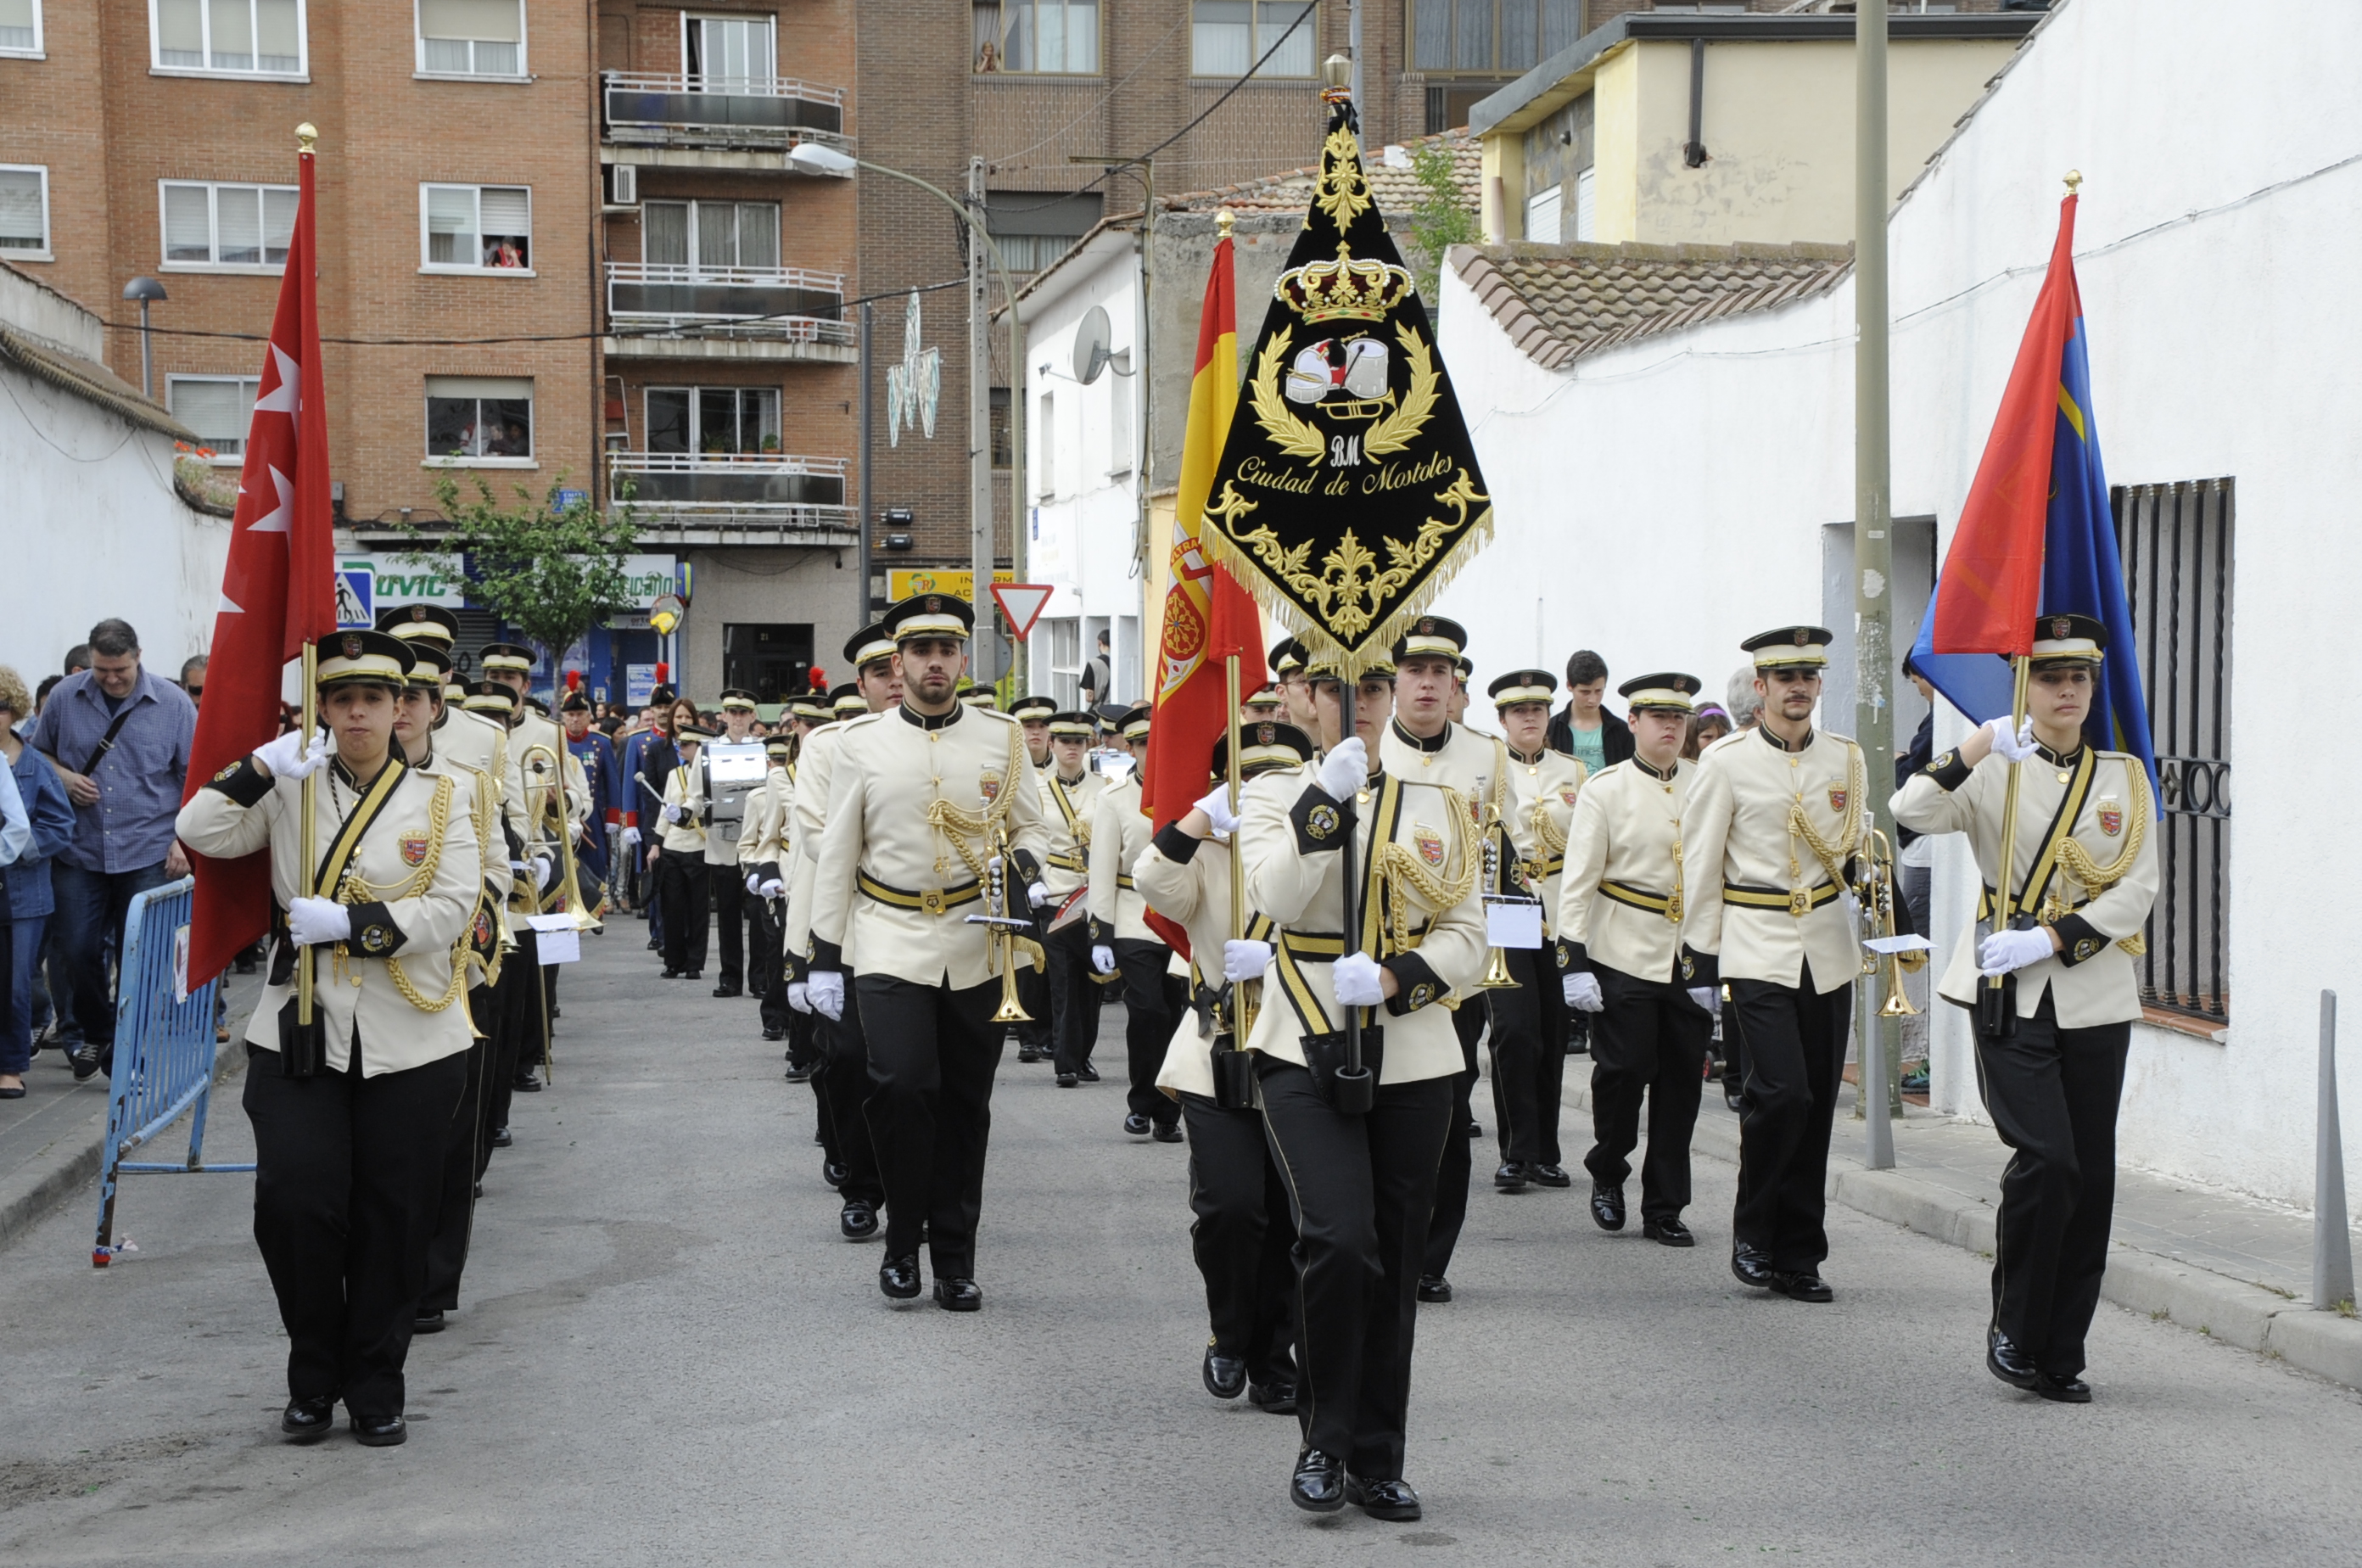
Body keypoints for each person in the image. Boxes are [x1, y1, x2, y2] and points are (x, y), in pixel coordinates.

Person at [175, 629, 480, 1447]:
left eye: (374, 700)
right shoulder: (289, 789)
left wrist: (354, 922)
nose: (357, 715)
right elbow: (202, 830)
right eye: (340, 700)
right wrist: (264, 767)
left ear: (401, 709)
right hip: (299, 1026)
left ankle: (376, 1382)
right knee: (295, 1204)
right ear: (322, 711)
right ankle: (312, 1371)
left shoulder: (444, 798)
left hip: (410, 1032)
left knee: (394, 1213)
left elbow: (454, 906)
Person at [1240, 658, 1485, 1521]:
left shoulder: (1437, 803)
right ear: (1304, 700)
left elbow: (1466, 930)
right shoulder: (1274, 795)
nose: (1361, 706)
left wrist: (1398, 978)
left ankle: (1379, 1456)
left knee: (1396, 1253)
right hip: (1300, 1033)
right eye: (1341, 691)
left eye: (1374, 691)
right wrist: (1322, 807)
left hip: (1410, 1045)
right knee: (1339, 1239)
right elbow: (1268, 896)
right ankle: (1323, 1438)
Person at [1893, 614, 2157, 1403]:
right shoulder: (1992, 770)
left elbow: (2138, 888)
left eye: (2078, 677)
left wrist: (2056, 937)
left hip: (2092, 994)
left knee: (2093, 1178)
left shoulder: (2125, 778)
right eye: (2049, 677)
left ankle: (2060, 1350)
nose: (2067, 690)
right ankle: (2013, 1325)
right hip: (2010, 996)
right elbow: (1908, 808)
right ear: (2023, 687)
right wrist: (1976, 745)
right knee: (2049, 1160)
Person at [805, 594, 1050, 1308]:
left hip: (977, 938)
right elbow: (838, 855)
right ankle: (901, 1240)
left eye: (947, 650)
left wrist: (1028, 872)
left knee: (965, 1105)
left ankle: (954, 1259)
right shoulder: (859, 743)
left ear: (963, 659)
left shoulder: (1002, 738)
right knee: (902, 1086)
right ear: (899, 661)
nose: (935, 663)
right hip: (889, 934)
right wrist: (823, 954)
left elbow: (1033, 829)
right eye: (921, 652)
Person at [1135, 717, 1315, 1415]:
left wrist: (1281, 960)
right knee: (1229, 1209)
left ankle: (1275, 1356)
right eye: (1250, 779)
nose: (1266, 791)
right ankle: (1228, 1333)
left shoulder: (1321, 850)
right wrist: (1196, 823)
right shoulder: (1208, 855)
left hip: (1298, 1046)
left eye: (1281, 778)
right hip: (1219, 1047)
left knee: (1292, 1214)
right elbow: (1151, 878)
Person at [1684, 626, 1864, 1303]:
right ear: (1759, 689)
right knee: (1779, 1094)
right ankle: (1753, 1233)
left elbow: (1853, 852)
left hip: (1825, 948)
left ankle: (1799, 1255)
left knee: (1816, 1104)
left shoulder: (1844, 759)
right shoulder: (1726, 762)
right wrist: (1700, 961)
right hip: (1755, 943)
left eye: (1808, 677)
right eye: (1784, 678)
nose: (1797, 689)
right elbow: (1700, 863)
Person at [1559, 674, 1716, 1246]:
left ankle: (1665, 1205)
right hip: (1623, 947)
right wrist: (1572, 961)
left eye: (1679, 718)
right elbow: (1579, 881)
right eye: (1657, 717)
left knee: (1682, 1083)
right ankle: (1608, 1168)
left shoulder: (1707, 783)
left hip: (1691, 953)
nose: (1671, 727)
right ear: (1633, 723)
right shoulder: (1607, 788)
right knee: (1623, 1074)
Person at [387, 641, 510, 1335]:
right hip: (367, 977)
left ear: (437, 707)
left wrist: (465, 926)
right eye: (386, 696)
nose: (399, 709)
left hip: (453, 972)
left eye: (413, 697)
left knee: (449, 1132)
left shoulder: (468, 783)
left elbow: (494, 868)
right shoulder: (333, 781)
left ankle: (433, 1281)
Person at [1376, 617, 1498, 1304]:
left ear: (1456, 685)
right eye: (1415, 672)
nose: (1427, 684)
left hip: (1451, 973)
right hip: (1374, 962)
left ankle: (1427, 1255)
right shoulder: (1369, 753)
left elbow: (1489, 865)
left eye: (1440, 674)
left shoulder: (1486, 757)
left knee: (1447, 1117)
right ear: (1396, 681)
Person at [28, 619, 196, 1079]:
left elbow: (195, 779)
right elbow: (36, 753)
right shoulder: (65, 697)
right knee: (76, 950)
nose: (112, 679)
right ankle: (100, 1032)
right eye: (102, 671)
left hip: (147, 850)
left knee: (138, 956)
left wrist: (183, 839)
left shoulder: (174, 705)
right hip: (79, 849)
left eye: (120, 669)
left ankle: (129, 1053)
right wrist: (64, 777)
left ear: (138, 657)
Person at [776, 627, 898, 1240]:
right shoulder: (830, 746)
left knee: (909, 1073)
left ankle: (913, 1189)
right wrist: (800, 957)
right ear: (864, 684)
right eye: (881, 674)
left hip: (925, 932)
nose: (896, 682)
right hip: (848, 928)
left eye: (901, 668)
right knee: (848, 1058)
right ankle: (860, 1183)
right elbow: (817, 848)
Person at [1483, 669, 1586, 1192]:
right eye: (1518, 712)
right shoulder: (1486, 769)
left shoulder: (1574, 771)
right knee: (1515, 1030)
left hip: (1561, 905)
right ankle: (1516, 1152)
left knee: (1550, 1030)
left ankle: (1546, 1150)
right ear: (1502, 719)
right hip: (1508, 905)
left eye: (1538, 711)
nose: (1529, 719)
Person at [1089, 704, 1184, 1140]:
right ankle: (1142, 1102)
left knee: (1180, 1015)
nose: (1152, 752)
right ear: (1130, 748)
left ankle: (1170, 1112)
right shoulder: (1114, 799)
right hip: (1134, 916)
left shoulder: (1190, 795)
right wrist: (1100, 932)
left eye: (1159, 743)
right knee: (1147, 1010)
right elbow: (1102, 870)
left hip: (1182, 918)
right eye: (1143, 744)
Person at [2, 665, 75, 1098]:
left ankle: (10, 1065)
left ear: (13, 712)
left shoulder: (31, 764)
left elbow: (59, 825)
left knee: (16, 983)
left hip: (22, 894)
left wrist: (16, 848)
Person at [1038, 710, 1105, 1086]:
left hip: (1093, 893)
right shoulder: (1035, 791)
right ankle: (1065, 1061)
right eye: (1065, 741)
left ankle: (1083, 1054)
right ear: (1052, 744)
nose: (1072, 749)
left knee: (1093, 980)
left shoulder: (1104, 788)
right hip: (1056, 892)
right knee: (1063, 980)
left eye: (1079, 742)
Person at [1006, 694, 1061, 1061]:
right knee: (1027, 956)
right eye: (1028, 726)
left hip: (1062, 879)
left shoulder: (1073, 770)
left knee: (1058, 961)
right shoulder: (1009, 768)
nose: (1036, 732)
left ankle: (1055, 1032)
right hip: (1022, 872)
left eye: (1042, 726)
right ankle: (1027, 1033)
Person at [703, 689, 764, 999]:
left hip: (756, 845)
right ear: (724, 716)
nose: (738, 718)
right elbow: (695, 793)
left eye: (744, 713)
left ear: (752, 716)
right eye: (733, 713)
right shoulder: (708, 751)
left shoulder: (763, 750)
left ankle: (760, 978)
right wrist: (687, 810)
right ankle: (729, 977)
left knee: (758, 916)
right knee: (726, 916)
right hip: (723, 845)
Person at [739, 733, 796, 1042]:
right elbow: (751, 842)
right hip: (774, 880)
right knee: (776, 949)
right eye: (773, 761)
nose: (777, 766)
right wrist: (755, 871)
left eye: (781, 760)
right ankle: (774, 1015)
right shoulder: (758, 797)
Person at [652, 721, 714, 979]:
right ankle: (674, 961)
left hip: (700, 845)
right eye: (680, 744)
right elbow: (665, 811)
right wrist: (656, 842)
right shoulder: (673, 775)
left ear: (699, 747)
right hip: (674, 846)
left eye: (686, 745)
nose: (681, 748)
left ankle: (694, 963)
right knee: (673, 907)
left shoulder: (710, 775)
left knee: (698, 910)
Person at [1895, 655, 1937, 941]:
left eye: (1917, 680)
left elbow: (1914, 778)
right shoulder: (1935, 719)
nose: (1919, 688)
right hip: (1925, 841)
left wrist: (1900, 761)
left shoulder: (1940, 722)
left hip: (1925, 842)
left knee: (1913, 938)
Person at [1546, 650, 1634, 775]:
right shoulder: (1551, 730)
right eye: (1585, 692)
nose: (1592, 700)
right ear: (1569, 685)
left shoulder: (1622, 731)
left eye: (1598, 691)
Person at [1081, 628, 1112, 708]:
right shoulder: (1121, 662)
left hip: (1100, 710)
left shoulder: (1093, 664)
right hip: (1118, 711)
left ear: (1100, 642)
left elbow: (1089, 698)